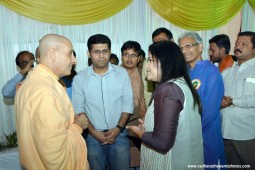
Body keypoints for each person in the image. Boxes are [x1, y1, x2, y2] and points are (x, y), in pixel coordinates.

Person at [14, 34, 89, 170]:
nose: (74, 60)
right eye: (70, 54)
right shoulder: (45, 90)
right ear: (53, 54)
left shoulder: (33, 82)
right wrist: (77, 126)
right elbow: (55, 157)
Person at [127, 41, 203, 169]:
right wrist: (150, 124)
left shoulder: (168, 89)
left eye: (151, 60)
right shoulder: (181, 83)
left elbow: (162, 142)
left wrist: (140, 133)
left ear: (166, 61)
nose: (147, 67)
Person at [72, 34, 134, 170]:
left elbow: (128, 103)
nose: (101, 56)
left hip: (119, 135)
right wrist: (94, 133)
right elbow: (78, 108)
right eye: (96, 52)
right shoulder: (80, 78)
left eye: (105, 51)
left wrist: (118, 128)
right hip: (92, 137)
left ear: (110, 52)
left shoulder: (121, 73)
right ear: (89, 53)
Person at [178, 32, 226, 169]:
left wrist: (191, 133)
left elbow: (210, 111)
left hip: (207, 135)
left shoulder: (211, 72)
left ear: (200, 46)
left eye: (188, 46)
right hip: (187, 137)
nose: (184, 51)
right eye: (181, 48)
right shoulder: (184, 73)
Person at [221, 31, 255, 168]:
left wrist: (233, 101)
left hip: (246, 134)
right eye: (236, 43)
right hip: (225, 131)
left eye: (243, 44)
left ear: (254, 49)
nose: (237, 46)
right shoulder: (227, 72)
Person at [121, 40, 146, 168]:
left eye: (133, 55)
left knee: (140, 160)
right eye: (126, 54)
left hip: (141, 122)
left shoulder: (145, 73)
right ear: (121, 56)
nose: (129, 59)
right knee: (124, 162)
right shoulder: (114, 73)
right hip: (119, 124)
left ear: (139, 58)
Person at [142, 27, 174, 106]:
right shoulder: (148, 63)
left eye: (162, 42)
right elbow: (147, 91)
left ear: (172, 41)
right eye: (156, 43)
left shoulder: (181, 59)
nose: (159, 46)